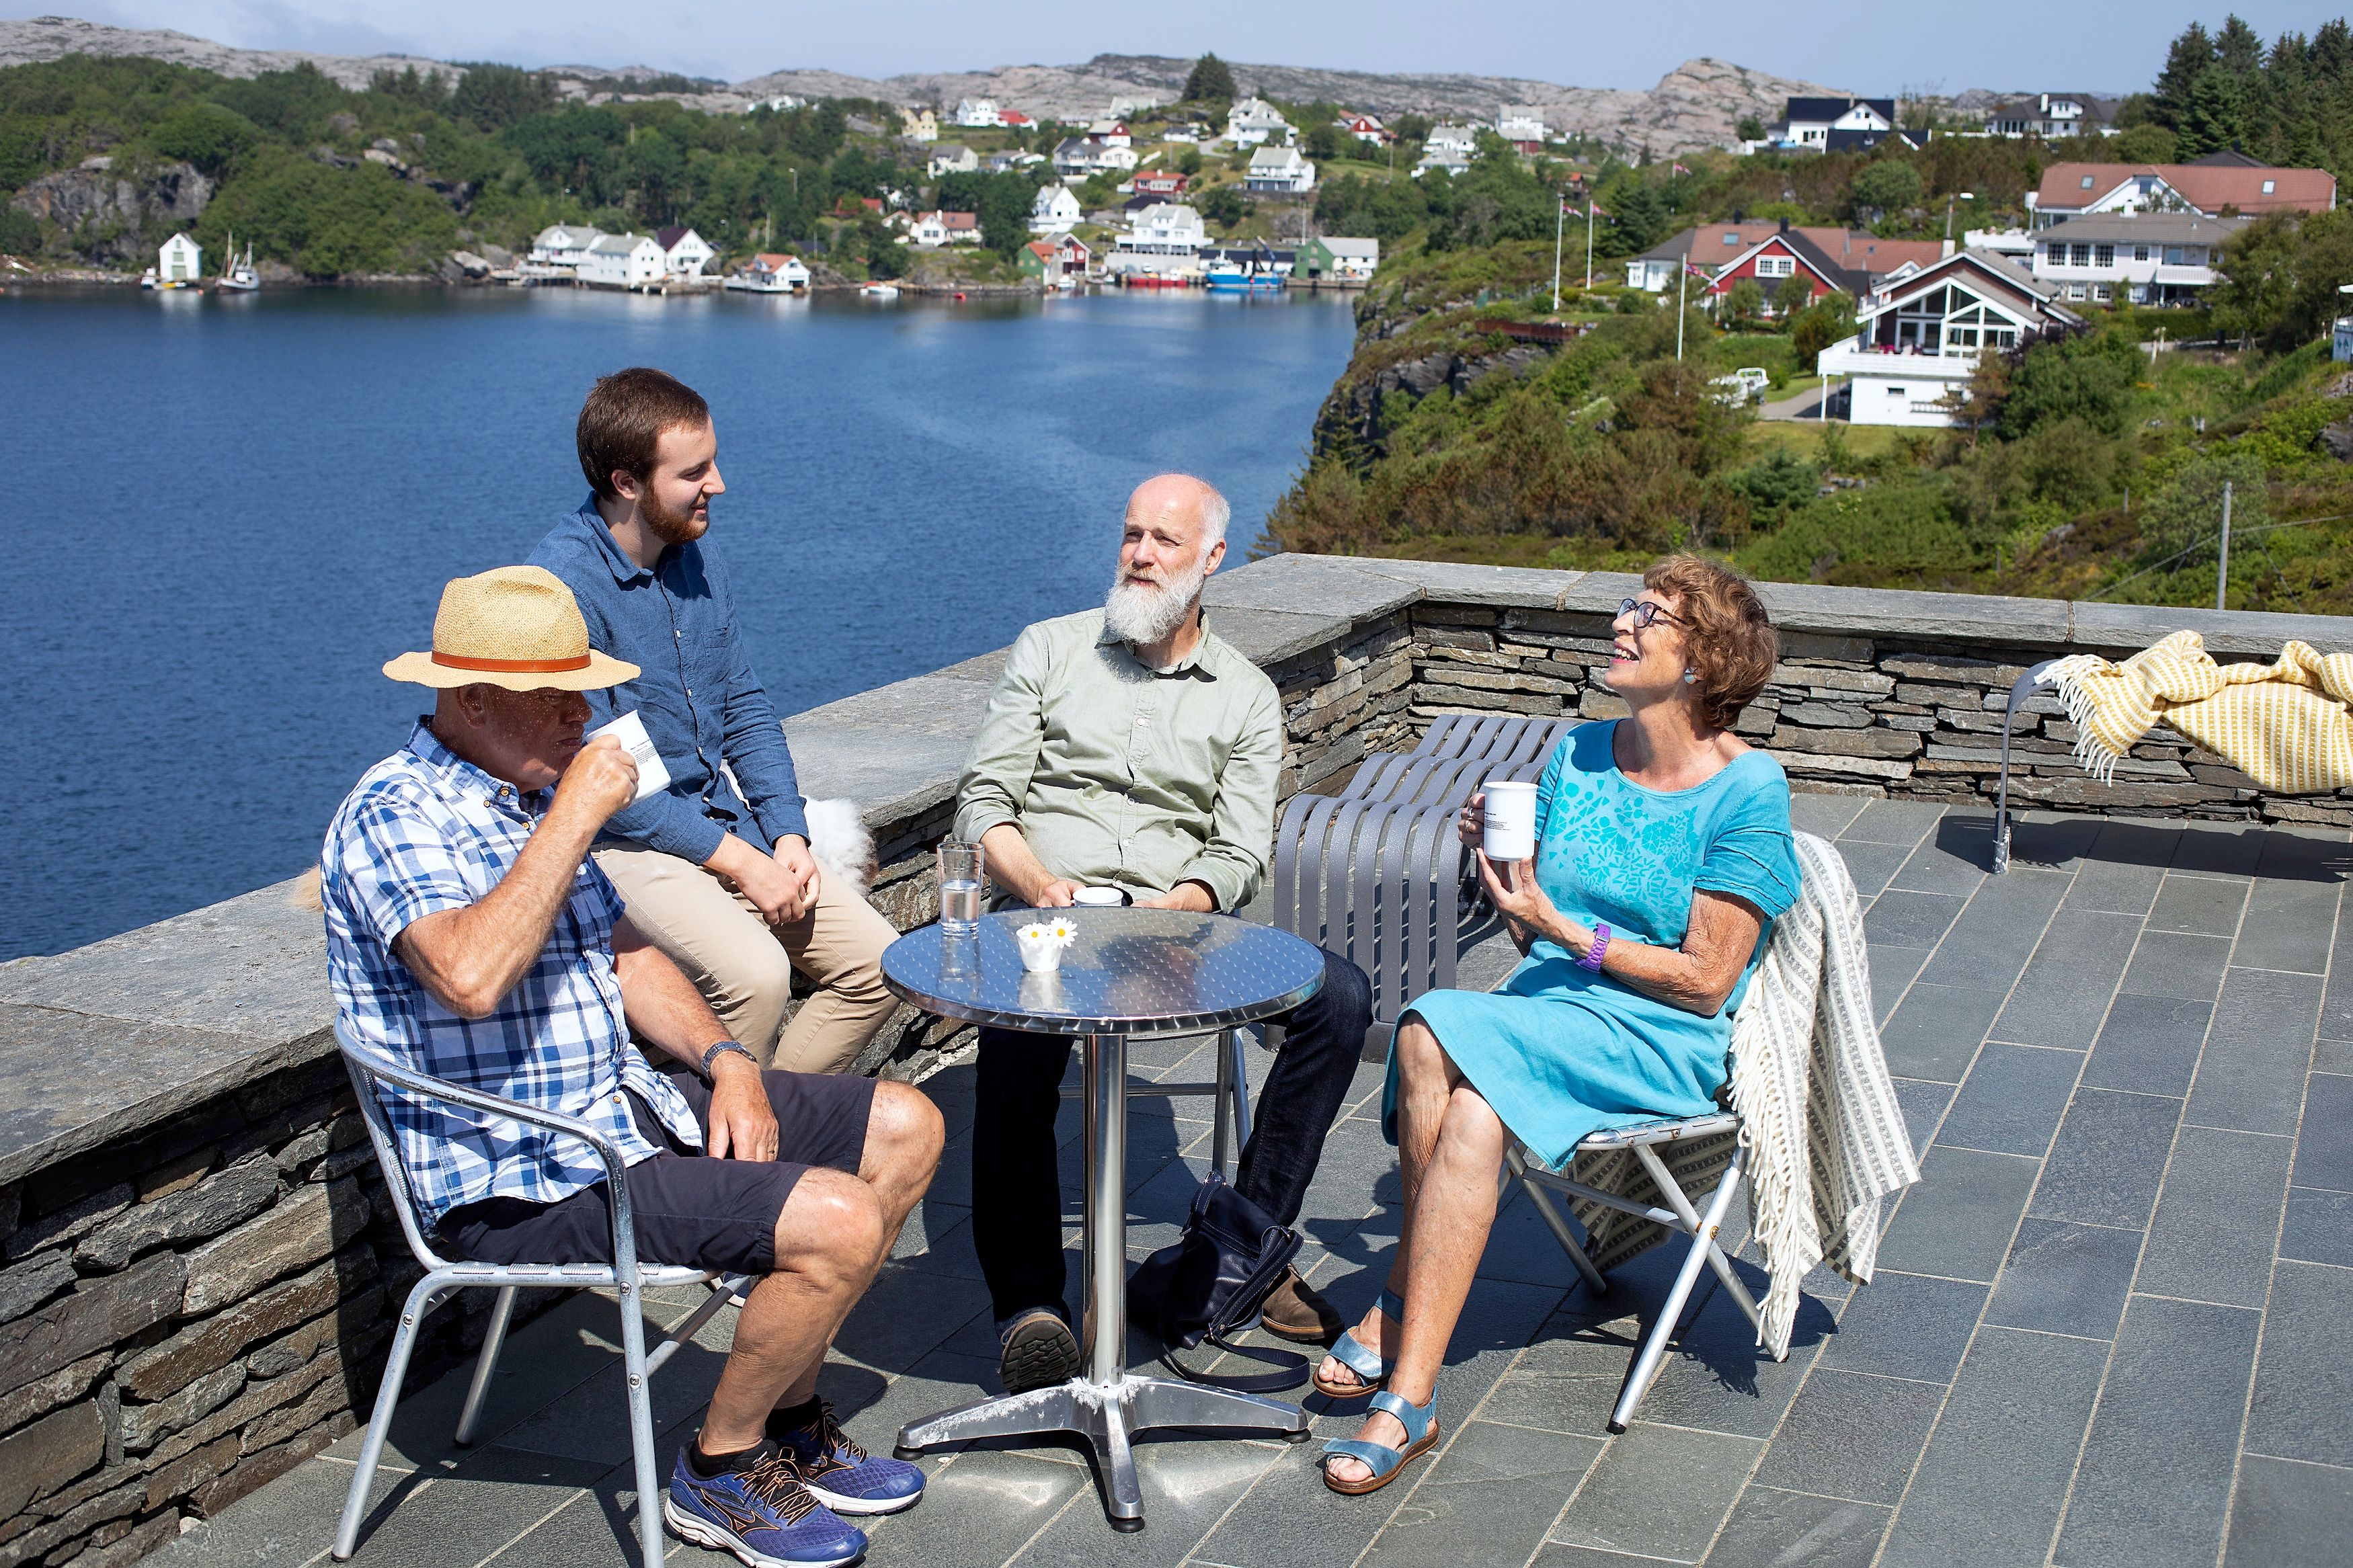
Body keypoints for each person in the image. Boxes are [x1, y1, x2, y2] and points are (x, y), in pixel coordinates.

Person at [321, 565, 943, 1567]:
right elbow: (471, 977)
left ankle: (783, 1426)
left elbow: (632, 957)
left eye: (586, 689)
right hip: (521, 1175)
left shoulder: (522, 794)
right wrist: (576, 811)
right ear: (474, 701)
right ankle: (719, 1470)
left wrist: (728, 1058)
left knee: (907, 1125)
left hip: (623, 1108)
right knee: (840, 1218)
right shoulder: (397, 816)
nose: (586, 713)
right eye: (560, 694)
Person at [1314, 556, 1798, 1497]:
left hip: (1657, 1035)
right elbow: (1525, 921)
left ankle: (1401, 1309)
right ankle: (1413, 1395)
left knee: (1428, 1028)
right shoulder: (1578, 754)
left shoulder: (1749, 792)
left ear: (1702, 661)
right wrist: (1502, 869)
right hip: (1550, 1005)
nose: (1621, 624)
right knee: (1471, 1117)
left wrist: (1563, 930)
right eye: (1628, 605)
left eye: (1648, 616)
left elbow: (1706, 981)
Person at [955, 473, 1375, 1394]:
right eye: (1131, 534)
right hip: (1048, 917)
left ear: (1213, 559)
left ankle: (1239, 1250)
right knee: (1015, 1023)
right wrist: (1037, 887)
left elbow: (1237, 853)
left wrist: (1178, 910)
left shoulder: (1246, 696)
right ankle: (1029, 1305)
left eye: (1165, 541)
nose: (1140, 555)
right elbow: (984, 801)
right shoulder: (1051, 650)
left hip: (1178, 932)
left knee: (1340, 995)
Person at [530, 367, 900, 1075]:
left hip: (721, 823)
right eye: (694, 470)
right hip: (618, 845)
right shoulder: (563, 589)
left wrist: (786, 830)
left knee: (879, 966)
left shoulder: (693, 555)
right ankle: (726, 1165)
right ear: (627, 481)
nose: (719, 483)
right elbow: (610, 784)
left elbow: (744, 707)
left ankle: (771, 1143)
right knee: (755, 979)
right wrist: (742, 861)